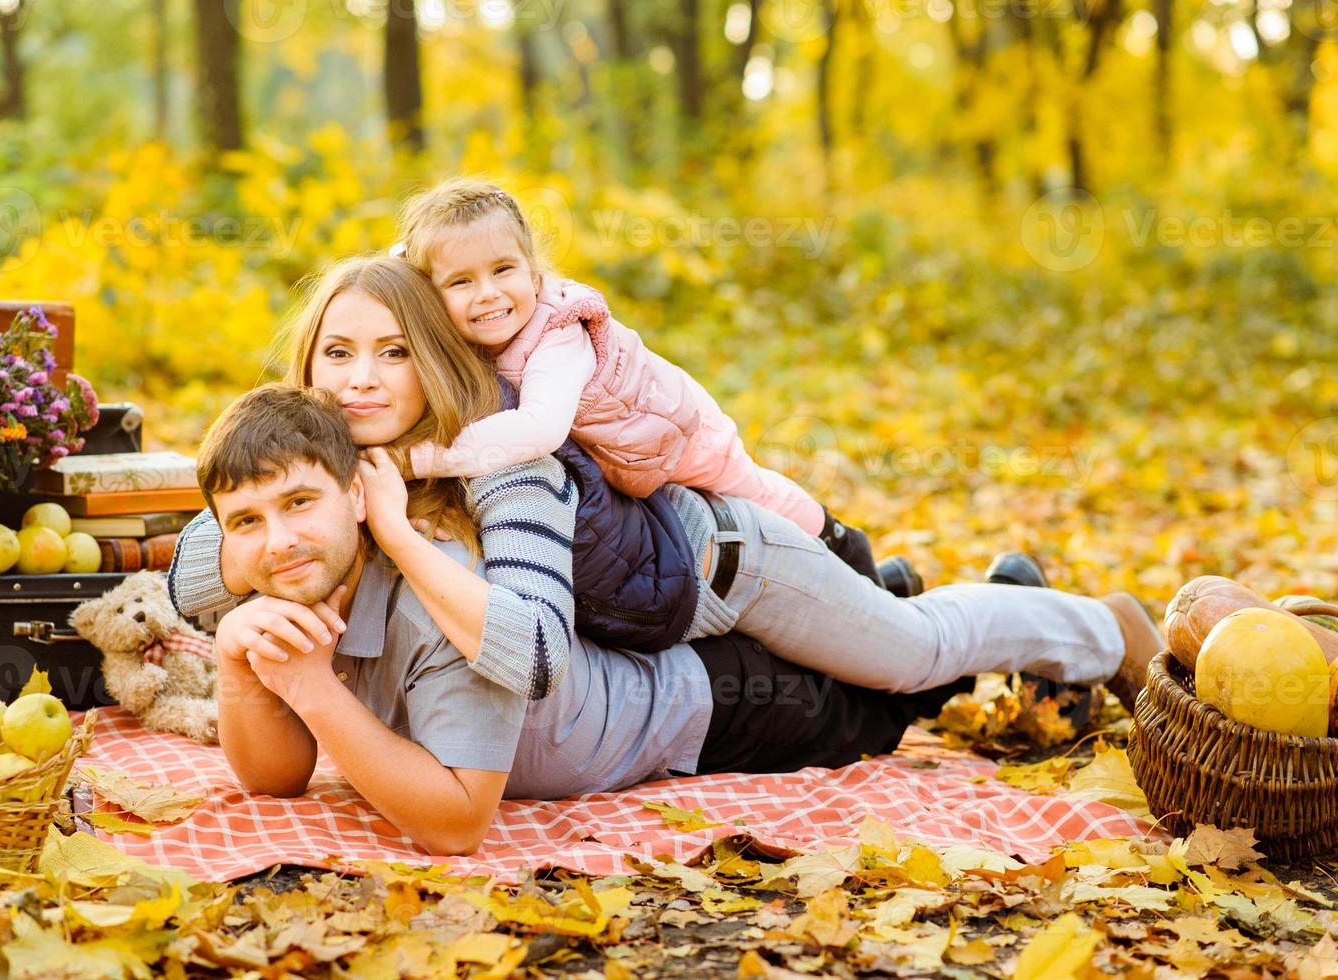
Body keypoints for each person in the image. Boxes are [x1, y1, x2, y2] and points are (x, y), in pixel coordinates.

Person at [201, 384, 1163, 855]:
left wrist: (317, 695)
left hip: (719, 705)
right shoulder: (284, 597)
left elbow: (456, 825)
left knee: (897, 686)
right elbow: (276, 777)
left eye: (298, 504)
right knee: (891, 651)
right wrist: (247, 671)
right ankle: (948, 593)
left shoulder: (434, 606)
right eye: (245, 522)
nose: (275, 540)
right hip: (680, 651)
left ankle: (1095, 628)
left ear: (362, 500)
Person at [170, 256, 1159, 708]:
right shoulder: (322, 460)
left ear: (433, 360)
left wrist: (386, 523)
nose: (357, 379)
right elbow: (197, 573)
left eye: (391, 352)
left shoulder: (500, 450)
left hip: (728, 566)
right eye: (335, 352)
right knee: (866, 657)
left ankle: (1106, 627)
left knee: (908, 653)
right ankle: (900, 582)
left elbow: (531, 655)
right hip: (650, 620)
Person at [394, 177, 866, 559]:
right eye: (460, 281)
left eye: (503, 270)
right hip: (623, 449)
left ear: (534, 271)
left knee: (752, 498)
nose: (488, 293)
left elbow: (539, 428)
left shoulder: (556, 333)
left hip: (672, 430)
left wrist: (421, 459)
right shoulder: (467, 334)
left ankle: (837, 539)